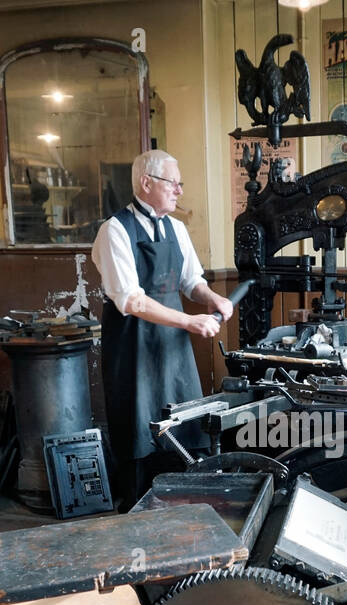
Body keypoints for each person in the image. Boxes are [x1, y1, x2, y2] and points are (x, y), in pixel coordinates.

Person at [91, 149, 233, 509]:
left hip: (171, 345)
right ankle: (138, 515)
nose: (179, 191)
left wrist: (212, 298)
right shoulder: (115, 230)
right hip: (132, 345)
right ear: (146, 182)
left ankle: (182, 508)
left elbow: (190, 282)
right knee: (138, 426)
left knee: (182, 420)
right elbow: (131, 301)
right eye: (174, 183)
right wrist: (189, 320)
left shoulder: (177, 229)